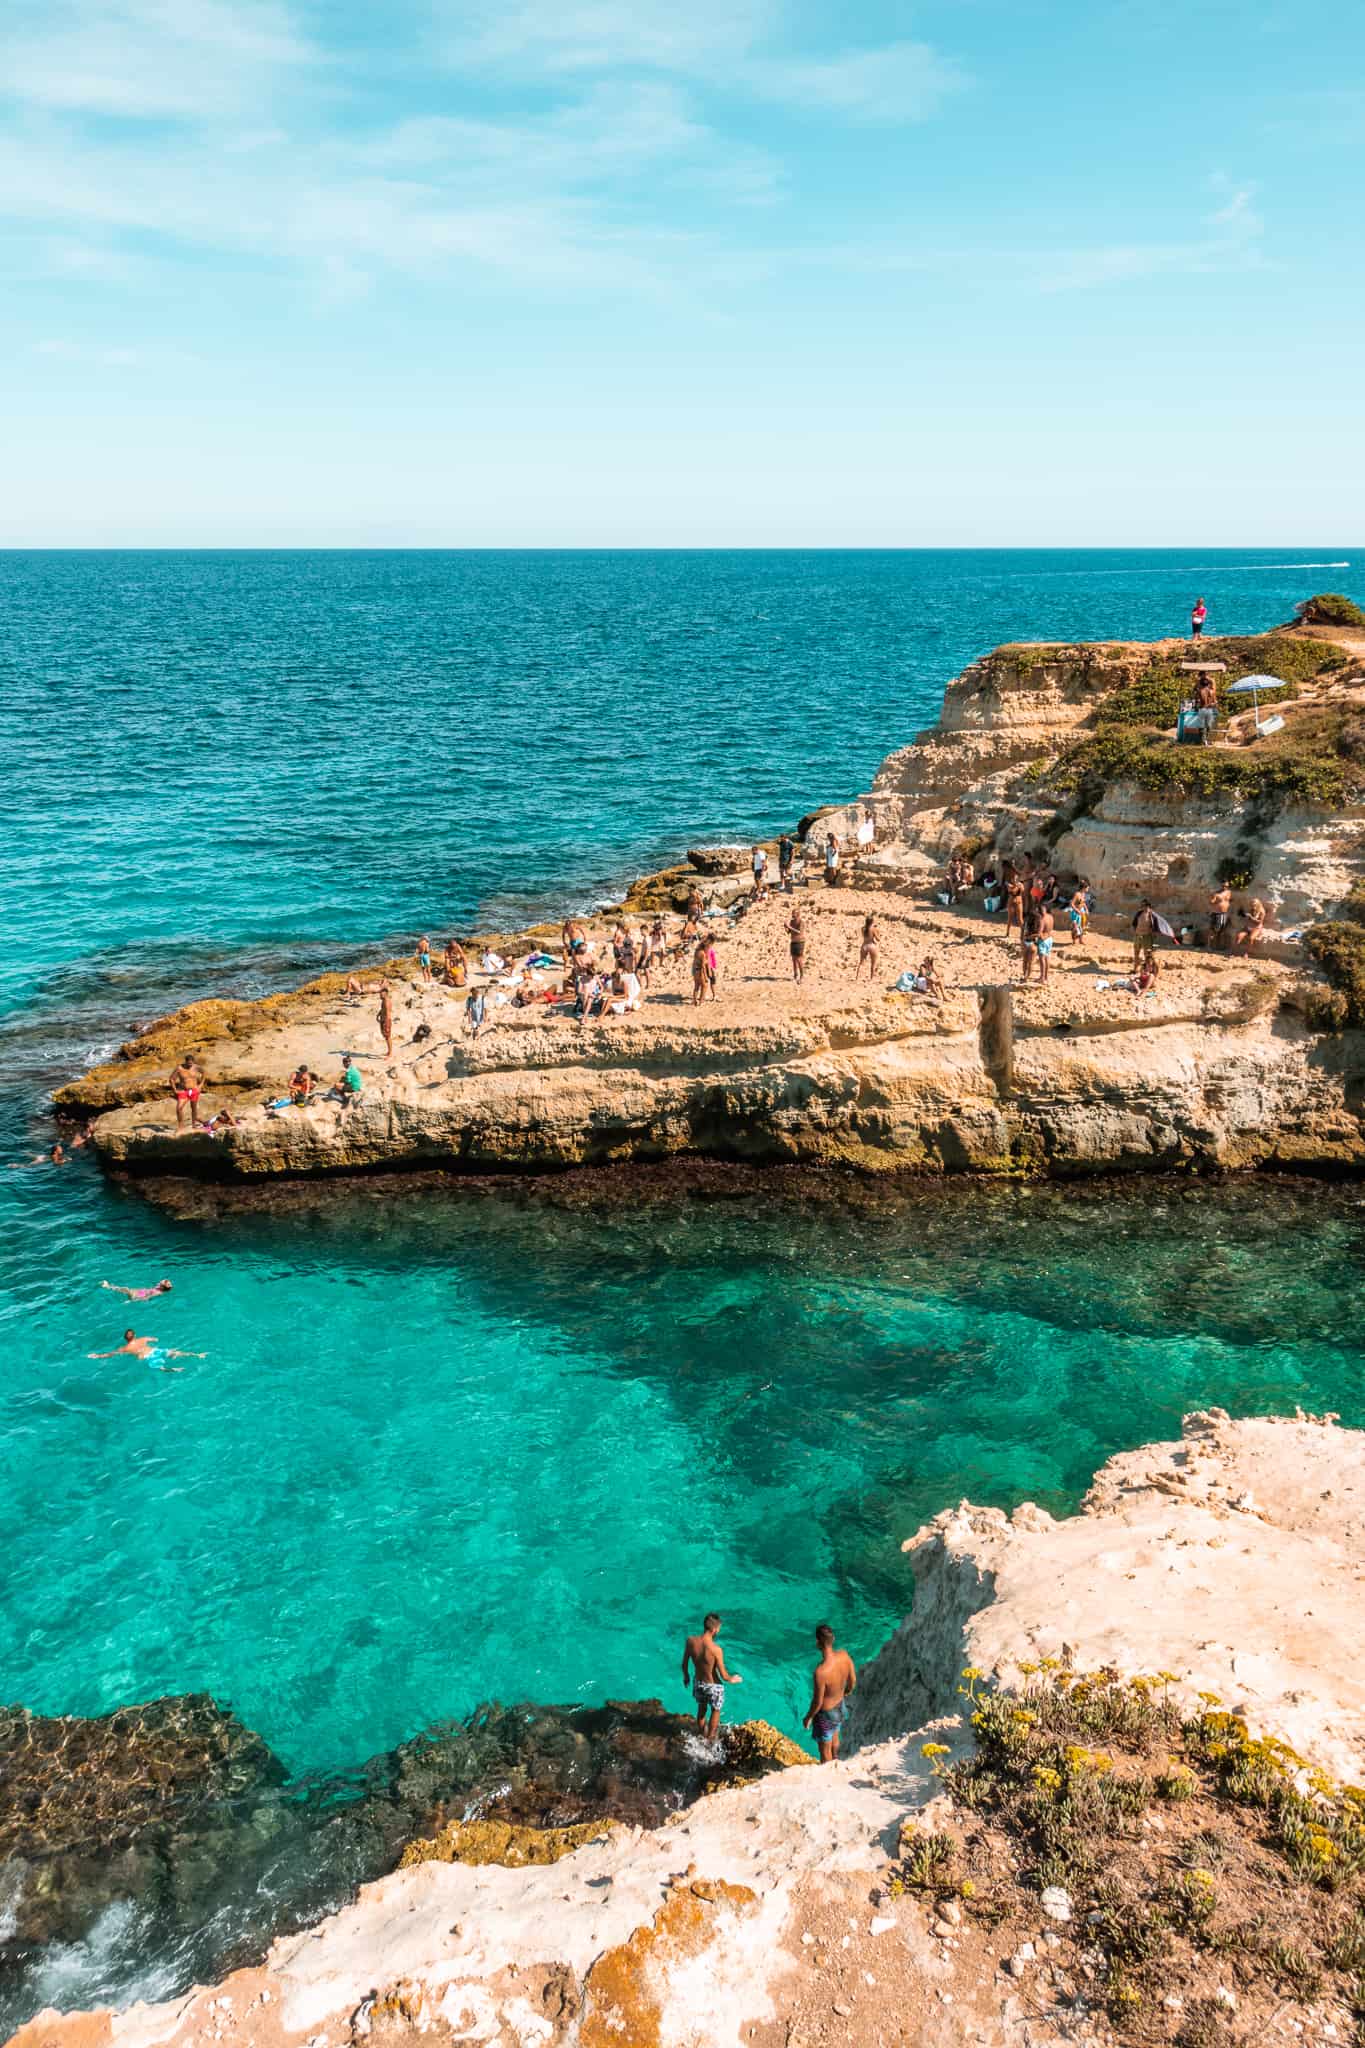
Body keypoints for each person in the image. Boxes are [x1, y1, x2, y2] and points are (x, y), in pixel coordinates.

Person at [681, 1612, 742, 1741]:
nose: (719, 1630)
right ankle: (710, 1740)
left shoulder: (690, 1641)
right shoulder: (716, 1649)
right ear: (714, 1629)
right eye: (719, 1628)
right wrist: (733, 1679)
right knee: (715, 1710)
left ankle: (702, 1735)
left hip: (698, 1683)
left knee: (701, 1710)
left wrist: (686, 1677)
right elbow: (724, 1675)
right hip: (713, 1687)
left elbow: (684, 1664)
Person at [803, 1624, 857, 1763]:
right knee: (835, 1738)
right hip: (840, 1706)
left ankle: (828, 1772)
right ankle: (837, 1760)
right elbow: (852, 1681)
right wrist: (846, 1692)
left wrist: (808, 1717)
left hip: (825, 1715)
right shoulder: (844, 1656)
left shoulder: (820, 1672)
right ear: (833, 1639)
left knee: (824, 1749)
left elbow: (818, 1702)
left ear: (818, 1643)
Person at [88, 1329, 205, 1372]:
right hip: (155, 1350)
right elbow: (154, 1338)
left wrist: (97, 1356)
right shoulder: (143, 1339)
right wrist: (153, 1338)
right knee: (176, 1352)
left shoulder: (124, 1348)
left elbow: (110, 1354)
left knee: (161, 1368)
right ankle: (197, 1355)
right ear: (135, 1335)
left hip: (147, 1357)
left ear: (125, 1338)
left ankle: (175, 1369)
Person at [169, 1058, 202, 1130]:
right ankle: (181, 1126)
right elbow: (171, 1079)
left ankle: (194, 1125)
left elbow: (204, 1073)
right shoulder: (179, 1068)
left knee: (194, 1108)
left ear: (193, 1062)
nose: (190, 1065)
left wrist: (201, 1085)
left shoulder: (196, 1067)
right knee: (179, 1108)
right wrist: (174, 1090)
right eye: (189, 1063)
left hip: (194, 1090)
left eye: (191, 1063)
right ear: (185, 1062)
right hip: (184, 1091)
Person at [1132, 899, 1157, 971]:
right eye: (1141, 905)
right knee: (1136, 954)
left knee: (1148, 955)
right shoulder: (1139, 913)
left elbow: (1156, 926)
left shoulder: (1152, 915)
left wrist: (1153, 935)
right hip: (1137, 936)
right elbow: (1134, 924)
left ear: (1148, 906)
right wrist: (1136, 932)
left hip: (1147, 937)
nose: (1142, 907)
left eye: (1144, 905)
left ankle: (1148, 970)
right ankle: (1135, 970)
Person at [1194, 675, 1218, 745]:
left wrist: (1201, 677)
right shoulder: (1212, 691)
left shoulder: (1199, 691)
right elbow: (1215, 702)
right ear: (1208, 684)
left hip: (1202, 709)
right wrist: (1208, 677)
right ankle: (1207, 740)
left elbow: (1197, 701)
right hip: (1210, 710)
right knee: (1209, 726)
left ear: (1201, 684)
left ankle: (1202, 741)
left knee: (1201, 726)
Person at [856, 914, 881, 981]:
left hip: (864, 945)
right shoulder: (873, 929)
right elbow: (878, 939)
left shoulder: (863, 928)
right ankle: (871, 979)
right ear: (872, 922)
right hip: (872, 946)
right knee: (873, 963)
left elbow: (865, 935)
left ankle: (857, 978)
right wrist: (878, 932)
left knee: (861, 963)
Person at [101, 1278, 172, 1301]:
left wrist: (133, 1301)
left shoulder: (158, 1292)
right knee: (123, 1289)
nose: (158, 1283)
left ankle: (107, 1286)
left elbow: (146, 1298)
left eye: (160, 1283)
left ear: (162, 1287)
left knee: (125, 1289)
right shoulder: (158, 1288)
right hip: (138, 1292)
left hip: (136, 1296)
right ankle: (109, 1286)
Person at [1209, 883, 1233, 949]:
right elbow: (1212, 901)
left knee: (1222, 930)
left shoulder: (1229, 892)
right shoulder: (1216, 893)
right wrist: (1213, 900)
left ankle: (1219, 946)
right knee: (1215, 930)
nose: (1225, 887)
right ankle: (1212, 945)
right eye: (1223, 886)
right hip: (1217, 913)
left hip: (1224, 913)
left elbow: (1230, 900)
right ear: (1221, 885)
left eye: (1226, 886)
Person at [1020, 904, 1041, 982]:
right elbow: (1038, 934)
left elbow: (1021, 933)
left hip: (1025, 942)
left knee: (1025, 961)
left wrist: (1022, 940)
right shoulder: (1038, 923)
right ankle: (1027, 977)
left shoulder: (1025, 923)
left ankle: (1024, 975)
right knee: (1031, 962)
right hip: (1033, 943)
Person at [787, 905, 807, 984]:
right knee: (794, 959)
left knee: (799, 959)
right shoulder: (792, 922)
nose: (792, 915)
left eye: (794, 914)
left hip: (800, 942)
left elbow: (799, 932)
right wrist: (786, 927)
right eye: (792, 914)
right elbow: (789, 932)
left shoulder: (801, 922)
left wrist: (789, 927)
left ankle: (802, 976)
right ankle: (795, 974)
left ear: (798, 914)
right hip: (793, 941)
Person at [1036, 903, 1055, 985]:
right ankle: (1046, 977)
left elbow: (1040, 933)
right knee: (1047, 958)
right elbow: (1051, 928)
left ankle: (1042, 978)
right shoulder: (1050, 917)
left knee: (1042, 959)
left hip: (1043, 940)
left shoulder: (1042, 919)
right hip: (1050, 939)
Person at [691, 939, 712, 1007]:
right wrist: (706, 976)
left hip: (695, 970)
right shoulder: (703, 954)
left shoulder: (697, 951)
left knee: (696, 986)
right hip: (700, 971)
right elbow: (703, 966)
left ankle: (694, 1000)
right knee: (704, 986)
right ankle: (701, 1002)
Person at [377, 980, 394, 1059]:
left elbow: (387, 1013)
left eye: (381, 993)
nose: (379, 994)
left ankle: (390, 1054)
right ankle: (388, 1052)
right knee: (386, 1037)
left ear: (385, 993)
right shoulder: (384, 1000)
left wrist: (385, 1023)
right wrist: (378, 1015)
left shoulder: (386, 1001)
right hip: (384, 1020)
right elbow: (383, 1009)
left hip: (386, 1021)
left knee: (388, 1037)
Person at [1005, 873, 1025, 938]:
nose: (1015, 880)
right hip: (1011, 902)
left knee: (1020, 919)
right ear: (1012, 879)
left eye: (1016, 878)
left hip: (1019, 902)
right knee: (1010, 918)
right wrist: (1016, 886)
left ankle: (1022, 934)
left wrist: (1018, 886)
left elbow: (1022, 890)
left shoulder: (1020, 884)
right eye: (1014, 878)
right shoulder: (1009, 885)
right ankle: (1007, 933)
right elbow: (1012, 891)